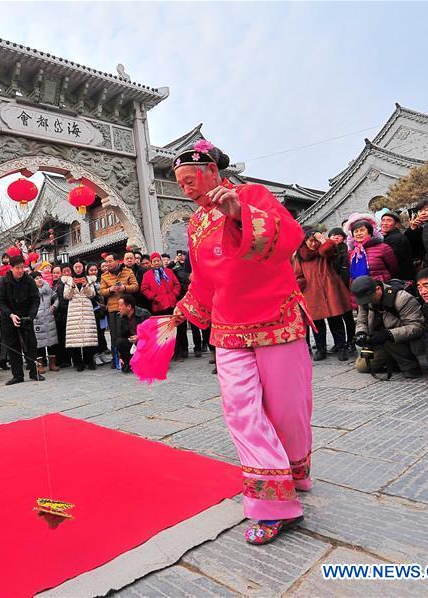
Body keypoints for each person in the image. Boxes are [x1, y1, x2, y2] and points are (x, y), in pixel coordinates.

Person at [171, 139, 312, 545]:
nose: (186, 188)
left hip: (275, 317)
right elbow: (203, 279)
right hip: (229, 326)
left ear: (213, 173)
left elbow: (290, 238)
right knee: (240, 411)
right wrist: (182, 311)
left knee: (288, 409)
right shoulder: (195, 224)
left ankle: (295, 473)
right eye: (179, 183)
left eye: (190, 179)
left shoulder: (253, 195)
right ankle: (273, 502)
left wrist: (239, 213)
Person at [294, 230, 351, 361]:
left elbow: (329, 249)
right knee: (317, 322)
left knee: (335, 319)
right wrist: (301, 288)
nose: (314, 244)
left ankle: (342, 347)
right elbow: (298, 275)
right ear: (305, 241)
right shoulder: (301, 256)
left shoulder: (323, 253)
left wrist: (323, 239)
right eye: (310, 241)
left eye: (316, 241)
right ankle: (320, 348)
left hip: (330, 287)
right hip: (311, 291)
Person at [350, 276, 424, 378]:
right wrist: (360, 334)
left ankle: (410, 365)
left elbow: (417, 327)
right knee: (362, 366)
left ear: (378, 289)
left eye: (370, 299)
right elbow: (361, 322)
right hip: (380, 340)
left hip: (403, 340)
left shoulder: (401, 298)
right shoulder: (365, 300)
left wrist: (388, 334)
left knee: (389, 341)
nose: (368, 302)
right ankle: (392, 361)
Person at [0, 254, 43, 385]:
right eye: (18, 268)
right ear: (11, 268)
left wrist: (31, 315)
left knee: (31, 345)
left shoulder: (29, 281)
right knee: (13, 346)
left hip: (26, 316)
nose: (21, 270)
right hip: (9, 318)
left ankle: (34, 372)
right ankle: (17, 375)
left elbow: (35, 299)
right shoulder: (3, 282)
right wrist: (10, 314)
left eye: (22, 267)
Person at [99, 253, 139, 367]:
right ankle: (116, 359)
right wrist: (110, 289)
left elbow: (136, 286)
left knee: (129, 332)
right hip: (113, 308)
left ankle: (131, 357)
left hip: (127, 308)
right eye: (106, 262)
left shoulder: (128, 272)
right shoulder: (104, 276)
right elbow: (102, 291)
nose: (107, 264)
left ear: (117, 261)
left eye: (110, 261)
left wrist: (124, 288)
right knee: (115, 335)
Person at [141, 252, 184, 358]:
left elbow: (177, 284)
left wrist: (174, 295)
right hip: (158, 305)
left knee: (175, 329)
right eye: (154, 261)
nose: (156, 263)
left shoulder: (169, 272)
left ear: (161, 261)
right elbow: (144, 289)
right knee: (163, 331)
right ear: (151, 263)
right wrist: (154, 297)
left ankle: (178, 352)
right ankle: (165, 353)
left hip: (171, 303)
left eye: (158, 260)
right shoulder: (147, 275)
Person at [62, 261, 99, 371]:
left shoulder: (89, 279)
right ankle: (78, 362)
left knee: (88, 335)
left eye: (80, 267)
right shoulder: (68, 280)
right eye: (76, 267)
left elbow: (92, 294)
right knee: (75, 337)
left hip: (87, 310)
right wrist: (72, 286)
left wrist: (85, 285)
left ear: (83, 268)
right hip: (74, 311)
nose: (78, 269)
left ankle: (89, 360)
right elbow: (66, 296)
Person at [327, 227, 356, 353]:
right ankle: (339, 342)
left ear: (344, 238)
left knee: (348, 317)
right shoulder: (326, 253)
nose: (336, 237)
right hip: (331, 289)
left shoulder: (348, 251)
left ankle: (351, 341)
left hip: (345, 288)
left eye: (339, 235)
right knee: (333, 318)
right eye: (333, 235)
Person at [347, 216, 398, 283]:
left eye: (362, 230)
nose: (359, 233)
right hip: (361, 289)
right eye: (356, 231)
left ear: (370, 232)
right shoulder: (352, 253)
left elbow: (394, 268)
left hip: (381, 286)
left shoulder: (383, 247)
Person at [31, 272, 59, 374]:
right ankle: (40, 365)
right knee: (39, 343)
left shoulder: (48, 289)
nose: (39, 280)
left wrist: (54, 306)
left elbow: (56, 298)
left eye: (40, 277)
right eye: (36, 278)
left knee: (52, 342)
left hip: (49, 318)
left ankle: (52, 364)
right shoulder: (31, 291)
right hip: (37, 320)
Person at [114, 294, 151, 373]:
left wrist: (139, 337)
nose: (119, 308)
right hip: (132, 343)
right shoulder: (120, 317)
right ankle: (128, 362)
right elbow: (120, 336)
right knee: (119, 342)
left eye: (121, 305)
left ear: (129, 307)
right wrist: (120, 356)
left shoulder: (144, 314)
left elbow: (153, 332)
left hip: (146, 342)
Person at [376, 209, 415, 281]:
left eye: (389, 221)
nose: (385, 223)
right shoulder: (387, 237)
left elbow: (391, 261)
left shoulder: (398, 239)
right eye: (383, 220)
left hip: (401, 279)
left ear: (396, 224)